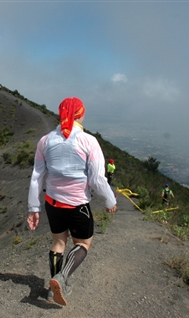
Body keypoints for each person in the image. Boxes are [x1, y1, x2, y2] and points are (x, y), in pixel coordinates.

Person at [27, 97, 117, 306]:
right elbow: (96, 179)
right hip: (78, 205)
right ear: (80, 114)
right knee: (83, 243)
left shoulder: (45, 140)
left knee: (58, 243)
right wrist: (109, 201)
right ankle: (62, 278)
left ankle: (53, 290)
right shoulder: (88, 141)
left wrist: (33, 207)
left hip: (53, 203)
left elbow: (36, 176)